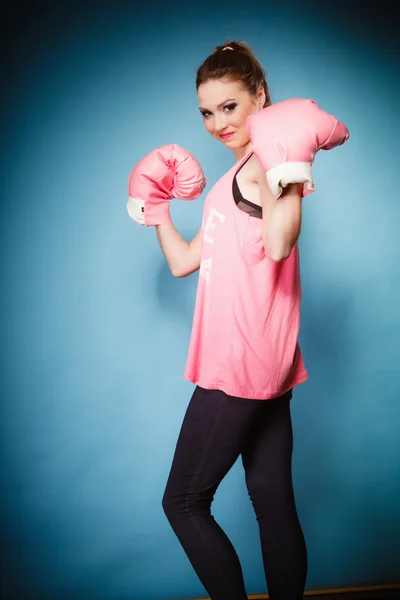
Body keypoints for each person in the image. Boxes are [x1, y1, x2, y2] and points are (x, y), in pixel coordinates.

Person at [127, 40, 349, 600]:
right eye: (207, 111)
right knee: (272, 498)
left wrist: (292, 174)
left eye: (230, 106)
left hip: (240, 363)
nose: (218, 122)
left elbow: (278, 243)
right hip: (270, 366)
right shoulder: (232, 182)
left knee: (182, 502)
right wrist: (156, 209)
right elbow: (184, 263)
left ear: (260, 96)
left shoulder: (268, 166)